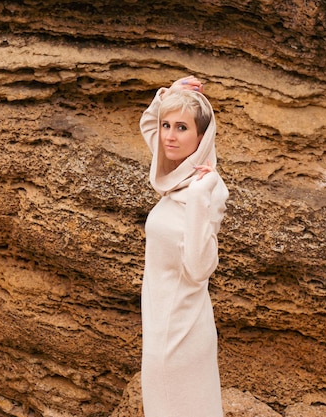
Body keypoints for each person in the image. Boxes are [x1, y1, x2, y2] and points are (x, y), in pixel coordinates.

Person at [139, 75, 229, 417]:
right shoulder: (178, 173)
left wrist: (198, 200)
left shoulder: (204, 188)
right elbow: (149, 124)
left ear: (201, 137)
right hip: (160, 327)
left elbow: (199, 267)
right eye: (167, 126)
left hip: (181, 333)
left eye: (181, 127)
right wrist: (171, 92)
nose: (168, 136)